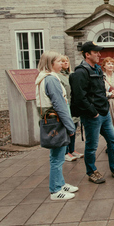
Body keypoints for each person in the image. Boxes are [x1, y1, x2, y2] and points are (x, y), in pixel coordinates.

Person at [70, 41, 114, 183]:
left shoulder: (97, 69)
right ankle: (91, 171)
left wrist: (107, 97)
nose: (99, 54)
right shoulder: (81, 72)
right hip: (93, 115)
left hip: (104, 113)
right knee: (92, 146)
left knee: (113, 139)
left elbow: (98, 92)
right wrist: (93, 112)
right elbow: (80, 97)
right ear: (87, 54)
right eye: (96, 52)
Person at [35, 51, 78, 200]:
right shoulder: (51, 80)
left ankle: (60, 183)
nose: (62, 64)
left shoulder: (44, 78)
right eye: (59, 61)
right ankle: (55, 189)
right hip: (56, 122)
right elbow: (60, 105)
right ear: (51, 63)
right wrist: (70, 126)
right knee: (57, 158)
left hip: (52, 120)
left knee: (57, 156)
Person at [57, 55, 83, 162]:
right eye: (62, 61)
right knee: (68, 129)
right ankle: (65, 152)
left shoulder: (71, 75)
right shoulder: (58, 76)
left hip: (74, 105)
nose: (65, 63)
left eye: (67, 61)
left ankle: (72, 149)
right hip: (66, 105)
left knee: (74, 127)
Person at [102, 57, 114, 144]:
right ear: (104, 66)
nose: (110, 65)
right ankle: (111, 143)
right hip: (108, 103)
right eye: (108, 63)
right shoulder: (101, 77)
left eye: (112, 64)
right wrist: (108, 94)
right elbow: (100, 90)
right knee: (110, 124)